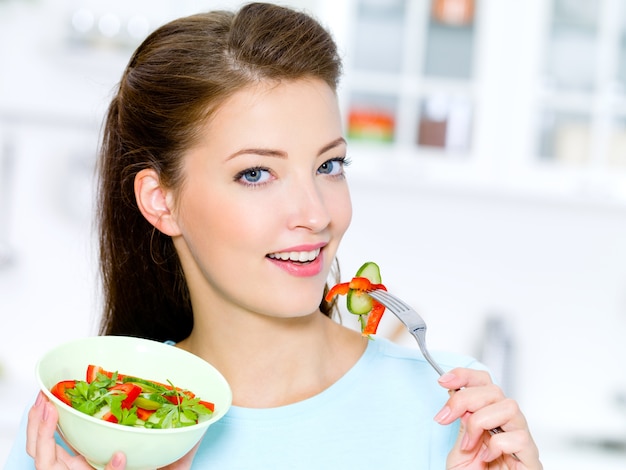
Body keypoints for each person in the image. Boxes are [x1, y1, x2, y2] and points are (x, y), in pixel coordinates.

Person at [7, 2, 542, 469]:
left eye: (330, 165)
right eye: (256, 174)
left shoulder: (454, 405)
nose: (315, 213)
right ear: (160, 200)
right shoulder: (83, 430)